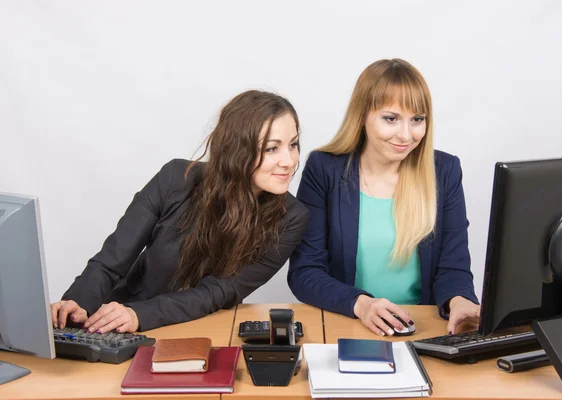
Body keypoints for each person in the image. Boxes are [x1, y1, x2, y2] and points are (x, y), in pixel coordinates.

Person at [51, 90, 308, 333]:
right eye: (272, 148)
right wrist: (76, 303)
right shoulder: (175, 179)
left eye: (293, 144)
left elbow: (218, 292)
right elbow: (112, 260)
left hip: (195, 333)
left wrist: (139, 315)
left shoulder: (291, 218)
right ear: (237, 148)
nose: (289, 160)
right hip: (114, 323)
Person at [288, 59, 479, 336]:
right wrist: (362, 305)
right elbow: (305, 271)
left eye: (417, 119)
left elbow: (454, 266)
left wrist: (460, 301)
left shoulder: (444, 171)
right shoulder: (324, 169)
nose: (405, 135)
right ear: (362, 115)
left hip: (419, 328)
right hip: (348, 321)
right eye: (391, 118)